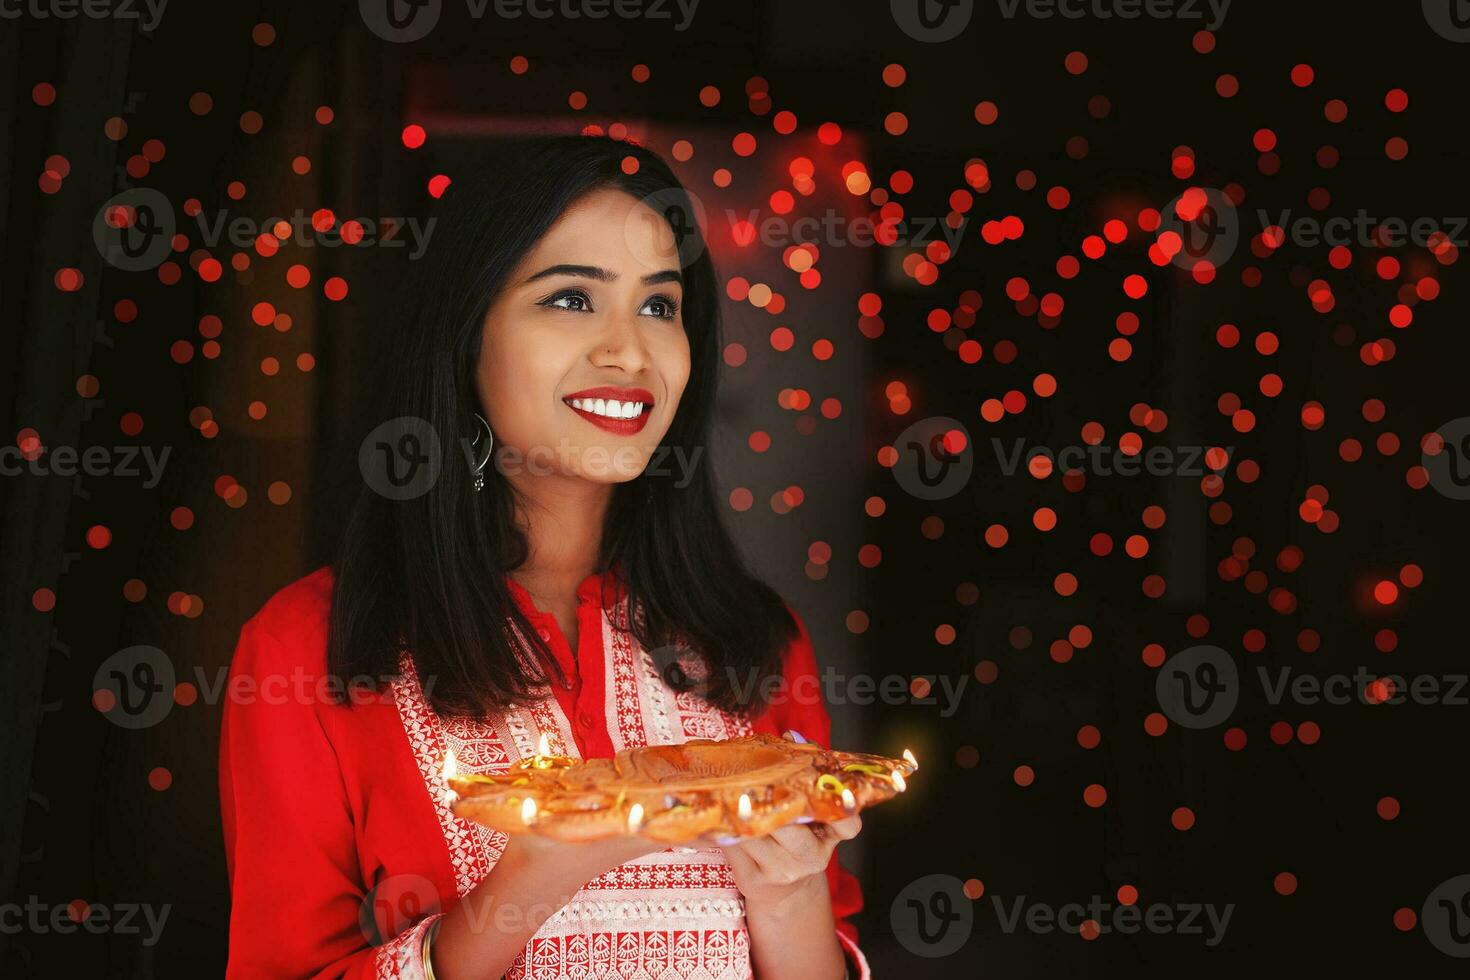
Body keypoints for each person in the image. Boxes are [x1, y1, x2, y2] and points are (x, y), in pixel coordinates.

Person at [219, 134, 870, 979]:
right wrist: (533, 877)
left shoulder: (755, 639)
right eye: (571, 299)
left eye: (661, 305)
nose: (629, 351)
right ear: (466, 335)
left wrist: (789, 898)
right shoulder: (310, 651)